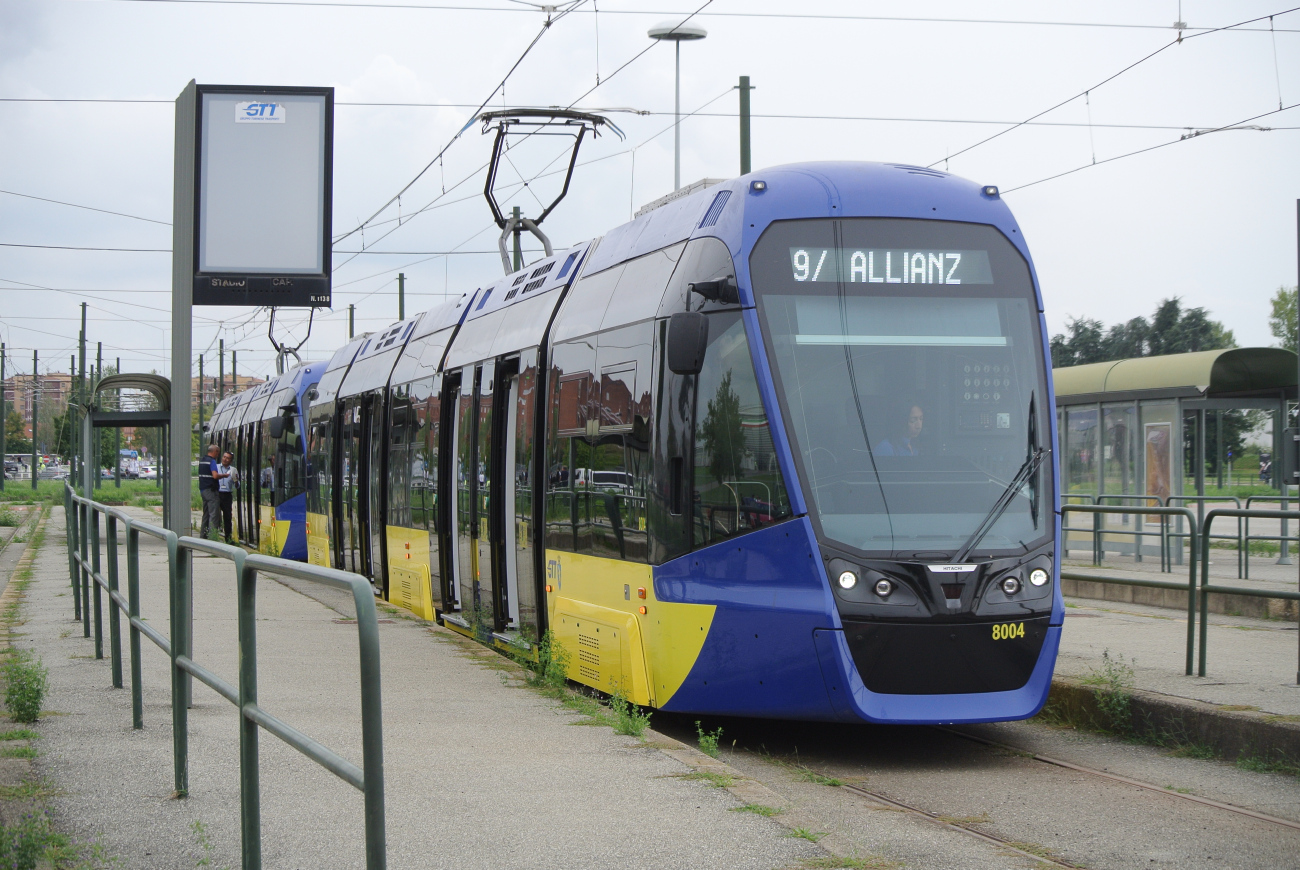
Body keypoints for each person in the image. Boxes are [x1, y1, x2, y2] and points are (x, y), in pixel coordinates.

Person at [197, 444, 226, 541]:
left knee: (206, 514)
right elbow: (215, 476)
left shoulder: (202, 461)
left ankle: (203, 536)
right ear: (215, 452)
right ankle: (212, 537)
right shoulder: (212, 461)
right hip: (211, 491)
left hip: (203, 490)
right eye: (218, 452)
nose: (218, 455)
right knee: (214, 514)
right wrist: (224, 475)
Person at [218, 451, 237, 544]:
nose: (225, 459)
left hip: (227, 495)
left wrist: (236, 480)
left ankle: (228, 539)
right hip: (217, 493)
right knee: (214, 515)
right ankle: (212, 536)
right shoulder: (216, 467)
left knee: (227, 517)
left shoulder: (233, 470)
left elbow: (237, 486)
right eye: (224, 457)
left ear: (231, 461)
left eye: (228, 458)